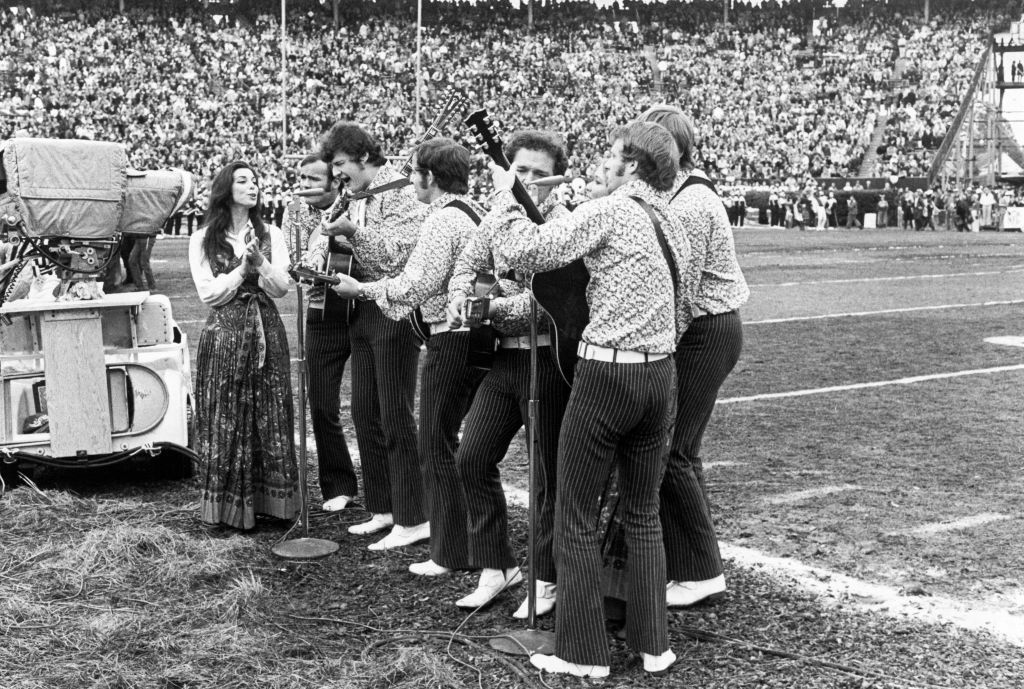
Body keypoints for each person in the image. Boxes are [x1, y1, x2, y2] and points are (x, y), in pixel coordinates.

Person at [483, 121, 687, 678]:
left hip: (606, 374)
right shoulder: (670, 219)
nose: (600, 164)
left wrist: (507, 195)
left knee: (574, 513)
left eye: (610, 157)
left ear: (632, 167)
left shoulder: (611, 210)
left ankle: (581, 652)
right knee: (643, 513)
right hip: (659, 374)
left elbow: (525, 252)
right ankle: (653, 645)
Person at [331, 137, 484, 563]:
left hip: (442, 329)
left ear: (428, 176)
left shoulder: (439, 218)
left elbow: (413, 280)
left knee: (435, 442)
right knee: (433, 437)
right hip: (446, 327)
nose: (410, 178)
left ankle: (444, 542)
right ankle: (441, 538)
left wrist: (361, 287)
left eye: (415, 171)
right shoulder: (459, 212)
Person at [446, 130, 572, 617]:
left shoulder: (565, 223)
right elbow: (466, 266)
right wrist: (461, 296)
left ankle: (546, 577)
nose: (530, 181)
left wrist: (489, 308)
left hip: (549, 362)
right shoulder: (498, 216)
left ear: (557, 179)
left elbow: (546, 303)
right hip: (502, 360)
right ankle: (496, 565)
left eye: (541, 174)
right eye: (521, 171)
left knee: (547, 477)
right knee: (472, 456)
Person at [637, 104, 749, 609]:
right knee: (676, 449)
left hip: (705, 328)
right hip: (707, 325)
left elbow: (679, 290)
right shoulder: (689, 194)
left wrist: (654, 345)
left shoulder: (688, 205)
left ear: (674, 150)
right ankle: (689, 562)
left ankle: (703, 570)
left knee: (677, 449)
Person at [318, 122, 430, 550]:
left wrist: (352, 232)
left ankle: (413, 516)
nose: (338, 173)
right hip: (359, 306)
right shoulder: (355, 194)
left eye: (342, 164)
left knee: (395, 415)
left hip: (394, 309)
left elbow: (397, 257)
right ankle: (383, 508)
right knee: (365, 412)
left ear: (363, 156)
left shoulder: (400, 191)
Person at [188, 161, 300, 531]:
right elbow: (209, 293)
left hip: (265, 329)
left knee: (269, 409)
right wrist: (241, 269)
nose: (252, 186)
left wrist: (262, 263)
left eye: (255, 181)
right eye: (242, 180)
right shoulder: (203, 238)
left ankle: (273, 503)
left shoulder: (273, 234)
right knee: (226, 414)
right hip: (224, 335)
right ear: (226, 188)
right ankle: (228, 506)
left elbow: (282, 287)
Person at [283, 154, 358, 513]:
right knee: (322, 403)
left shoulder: (356, 205)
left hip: (361, 311)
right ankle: (338, 485)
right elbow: (294, 261)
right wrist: (306, 268)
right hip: (320, 313)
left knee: (371, 406)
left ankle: (387, 489)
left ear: (336, 182)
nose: (306, 184)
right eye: (302, 177)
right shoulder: (294, 211)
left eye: (314, 178)